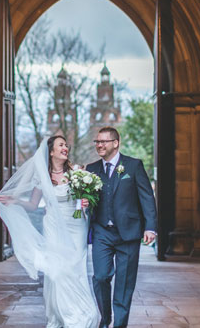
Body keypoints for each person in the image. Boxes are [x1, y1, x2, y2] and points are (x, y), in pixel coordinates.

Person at [0, 135, 100, 328]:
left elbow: (86, 198)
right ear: (51, 151)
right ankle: (64, 314)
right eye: (61, 145)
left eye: (66, 145)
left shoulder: (77, 172)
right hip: (53, 225)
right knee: (58, 270)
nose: (65, 148)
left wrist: (86, 202)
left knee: (75, 267)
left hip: (76, 225)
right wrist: (16, 201)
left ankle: (82, 314)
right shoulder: (42, 177)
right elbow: (33, 204)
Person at [86, 126, 157, 328]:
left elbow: (147, 198)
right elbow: (87, 200)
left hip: (129, 233)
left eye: (103, 142)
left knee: (124, 283)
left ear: (115, 143)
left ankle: (120, 325)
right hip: (102, 232)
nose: (99, 145)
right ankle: (105, 318)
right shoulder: (91, 169)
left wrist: (150, 227)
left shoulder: (133, 166)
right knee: (100, 277)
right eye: (97, 142)